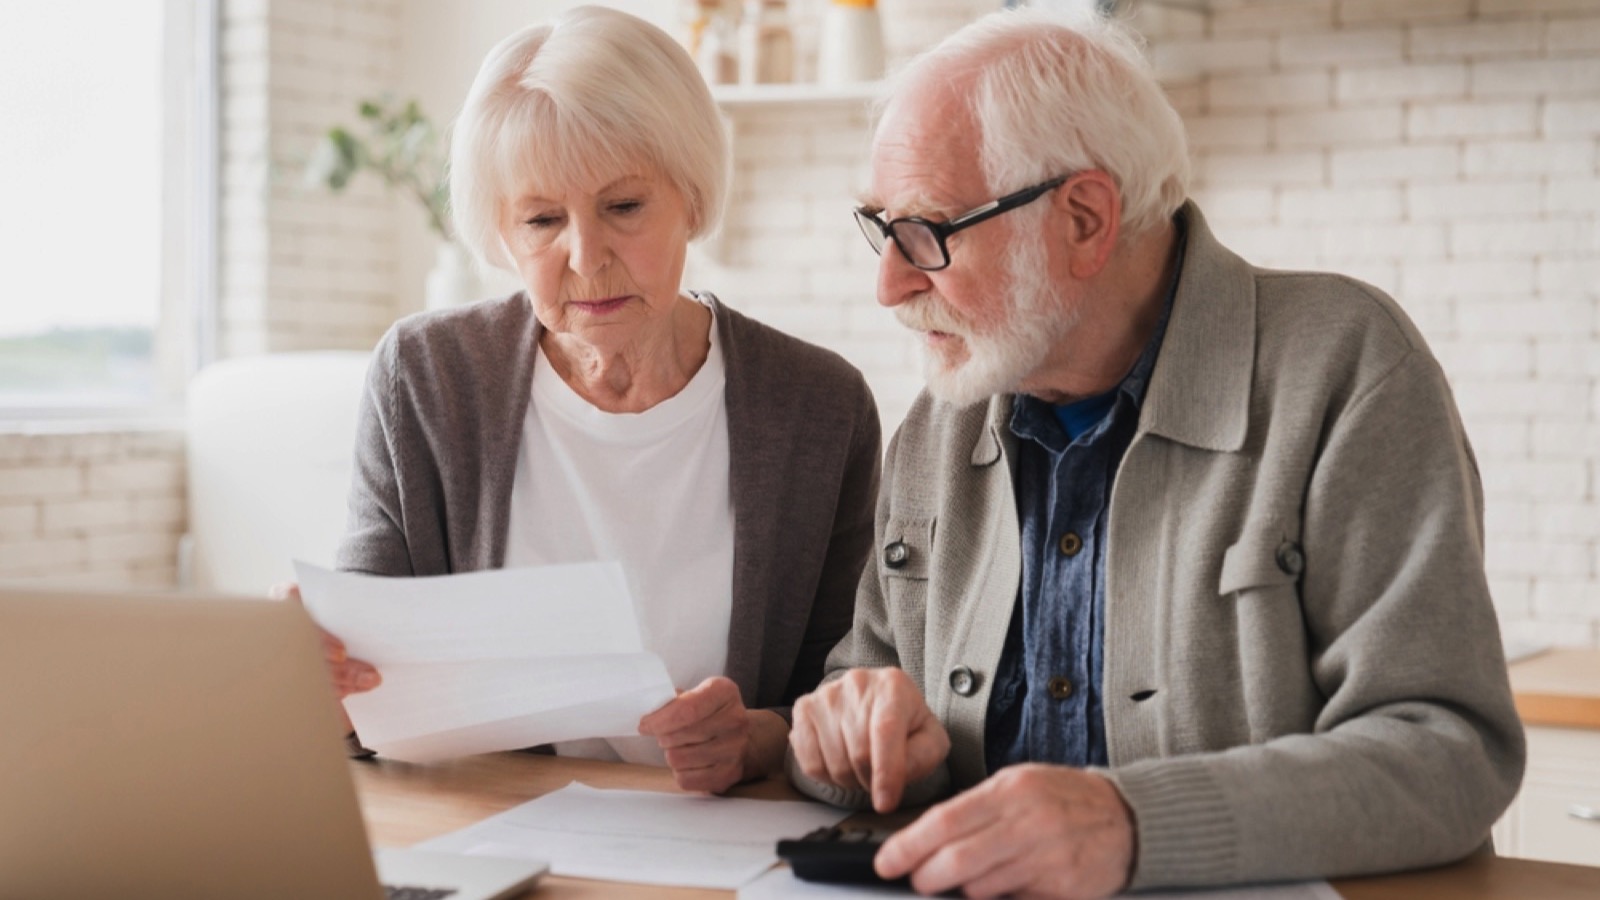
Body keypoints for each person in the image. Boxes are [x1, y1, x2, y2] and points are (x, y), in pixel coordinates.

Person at [786, 8, 1525, 897]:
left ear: (1086, 219)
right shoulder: (939, 421)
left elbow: (1449, 755)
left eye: (928, 233)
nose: (890, 284)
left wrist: (1132, 824)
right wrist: (847, 739)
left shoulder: (1345, 368)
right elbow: (859, 694)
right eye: (882, 227)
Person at [301, 5, 880, 795]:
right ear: (503, 235)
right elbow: (363, 693)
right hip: (485, 827)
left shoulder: (820, 406)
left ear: (692, 198)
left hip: (720, 837)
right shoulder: (425, 379)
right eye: (542, 220)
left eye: (624, 207)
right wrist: (316, 674)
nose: (586, 256)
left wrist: (756, 739)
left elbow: (850, 689)